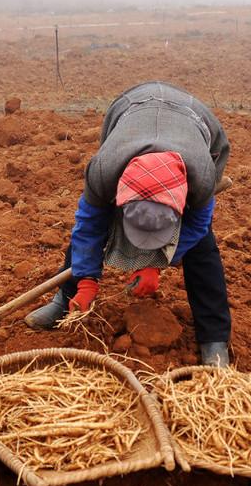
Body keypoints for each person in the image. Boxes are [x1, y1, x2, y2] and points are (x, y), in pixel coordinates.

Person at [24, 81, 232, 367]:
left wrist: (156, 263)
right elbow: (89, 227)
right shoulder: (104, 171)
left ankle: (214, 338)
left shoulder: (202, 177)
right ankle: (66, 299)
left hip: (194, 119)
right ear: (122, 196)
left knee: (202, 247)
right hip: (133, 108)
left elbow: (195, 227)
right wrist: (86, 281)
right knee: (96, 223)